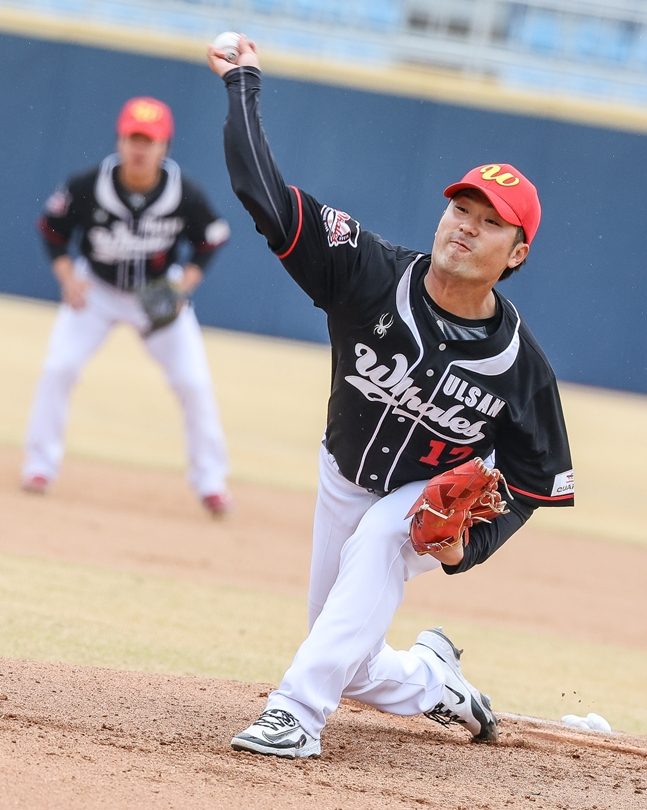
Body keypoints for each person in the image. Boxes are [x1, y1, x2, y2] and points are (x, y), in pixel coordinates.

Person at [208, 39, 575, 757]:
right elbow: (261, 192)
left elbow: (539, 481)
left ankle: (293, 716)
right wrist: (241, 84)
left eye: (489, 220)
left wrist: (467, 547)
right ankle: (436, 683)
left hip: (416, 500)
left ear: (517, 252)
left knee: (383, 536)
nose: (465, 225)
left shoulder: (519, 369)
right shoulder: (365, 272)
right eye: (460, 208)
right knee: (345, 649)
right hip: (340, 475)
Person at [23, 96, 233, 515]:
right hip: (97, 289)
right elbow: (51, 227)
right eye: (132, 138)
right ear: (119, 140)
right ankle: (38, 465)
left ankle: (211, 481)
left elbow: (212, 237)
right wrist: (67, 277)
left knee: (193, 382)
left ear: (164, 147)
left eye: (149, 140)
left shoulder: (184, 192)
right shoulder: (88, 185)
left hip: (156, 294)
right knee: (58, 367)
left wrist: (184, 286)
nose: (139, 148)